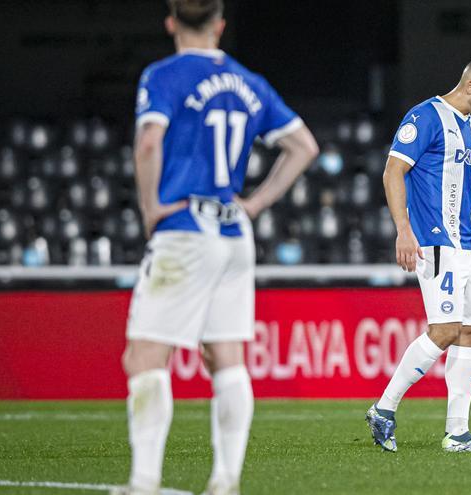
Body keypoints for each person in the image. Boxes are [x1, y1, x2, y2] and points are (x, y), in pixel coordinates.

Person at [115, 1, 319, 494]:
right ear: (220, 26)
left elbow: (148, 143)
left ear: (170, 23)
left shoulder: (164, 74)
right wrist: (257, 203)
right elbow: (304, 147)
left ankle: (144, 484)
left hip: (185, 227)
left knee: (144, 359)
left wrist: (148, 208)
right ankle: (225, 481)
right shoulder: (250, 81)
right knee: (226, 357)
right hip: (233, 233)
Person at [365, 56, 471, 453]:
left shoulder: (470, 129)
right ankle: (384, 407)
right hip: (435, 241)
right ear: (470, 86)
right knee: (445, 329)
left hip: (466, 243)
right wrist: (404, 231)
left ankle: (458, 433)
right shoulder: (426, 116)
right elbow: (393, 171)